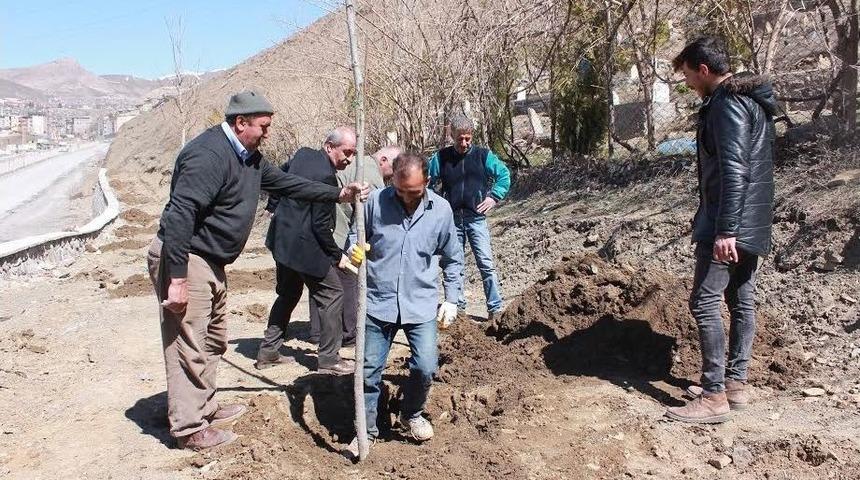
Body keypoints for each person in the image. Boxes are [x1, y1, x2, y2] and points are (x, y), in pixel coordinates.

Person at [146, 91, 369, 451]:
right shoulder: (208, 155)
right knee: (189, 344)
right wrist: (177, 278)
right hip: (187, 257)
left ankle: (205, 407)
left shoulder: (248, 158)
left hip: (212, 260)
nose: (268, 133)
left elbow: (287, 183)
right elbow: (181, 214)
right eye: (264, 126)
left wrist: (338, 195)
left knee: (213, 340)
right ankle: (189, 428)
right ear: (241, 123)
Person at [665, 36, 776, 424]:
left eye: (688, 75)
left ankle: (713, 395)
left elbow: (734, 170)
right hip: (752, 219)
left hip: (728, 223)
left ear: (704, 70)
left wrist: (725, 230)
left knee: (704, 301)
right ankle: (735, 384)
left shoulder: (726, 105)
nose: (687, 83)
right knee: (741, 299)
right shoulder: (750, 101)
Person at [346, 152, 463, 456]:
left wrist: (452, 298)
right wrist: (354, 250)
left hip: (420, 302)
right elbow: (354, 236)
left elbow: (453, 258)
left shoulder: (441, 211)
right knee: (368, 371)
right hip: (378, 300)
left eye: (414, 192)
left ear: (427, 182)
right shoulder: (374, 203)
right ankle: (366, 430)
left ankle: (411, 414)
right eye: (400, 191)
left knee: (425, 366)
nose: (407, 198)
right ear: (392, 181)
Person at [255, 127, 362, 375]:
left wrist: (273, 206)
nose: (349, 159)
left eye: (353, 153)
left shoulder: (302, 154)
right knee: (332, 294)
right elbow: (320, 226)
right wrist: (337, 256)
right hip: (303, 247)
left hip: (282, 240)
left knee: (288, 294)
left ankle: (268, 351)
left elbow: (279, 179)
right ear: (329, 147)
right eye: (346, 152)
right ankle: (329, 359)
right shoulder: (326, 178)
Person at [306, 145, 401, 346]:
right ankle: (349, 333)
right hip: (334, 227)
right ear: (384, 160)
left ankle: (317, 332)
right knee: (347, 278)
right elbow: (368, 218)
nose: (394, 175)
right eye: (395, 168)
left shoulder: (360, 164)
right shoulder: (371, 176)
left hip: (318, 224)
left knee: (321, 278)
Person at [428, 114, 510, 324]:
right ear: (451, 135)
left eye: (468, 139)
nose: (464, 143)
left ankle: (495, 308)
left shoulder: (483, 156)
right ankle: (459, 309)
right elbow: (426, 181)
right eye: (459, 139)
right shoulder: (440, 158)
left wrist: (493, 197)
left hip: (476, 219)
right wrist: (435, 203)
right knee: (455, 265)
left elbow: (503, 175)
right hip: (452, 221)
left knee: (486, 263)